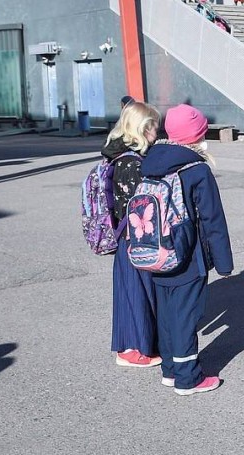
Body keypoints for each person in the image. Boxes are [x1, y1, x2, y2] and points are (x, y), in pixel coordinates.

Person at [141, 104, 234, 395]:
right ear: (197, 135)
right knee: (185, 315)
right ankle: (187, 377)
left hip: (154, 249)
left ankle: (170, 368)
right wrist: (224, 263)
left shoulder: (150, 161)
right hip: (187, 254)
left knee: (167, 312)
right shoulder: (196, 169)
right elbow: (212, 219)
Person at [101, 102, 161, 368]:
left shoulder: (119, 153)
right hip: (133, 236)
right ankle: (132, 350)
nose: (157, 132)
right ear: (143, 128)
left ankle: (134, 346)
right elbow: (137, 203)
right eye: (154, 127)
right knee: (136, 292)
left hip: (126, 234)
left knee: (131, 290)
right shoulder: (131, 162)